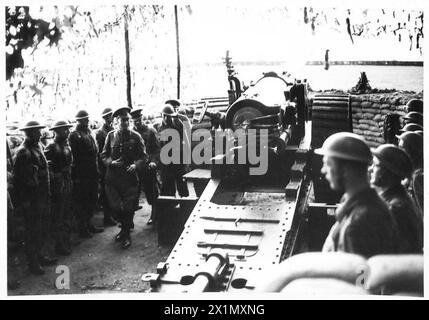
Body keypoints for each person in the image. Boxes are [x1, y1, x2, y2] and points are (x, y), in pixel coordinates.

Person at [315, 132, 396, 258]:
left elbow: (362, 275)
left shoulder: (359, 223)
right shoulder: (359, 205)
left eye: (328, 164)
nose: (323, 170)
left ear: (345, 169)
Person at [12, 120, 57, 275]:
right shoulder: (23, 152)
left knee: (42, 228)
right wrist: (24, 202)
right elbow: (18, 180)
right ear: (30, 133)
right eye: (37, 131)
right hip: (32, 200)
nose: (40, 133)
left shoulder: (37, 147)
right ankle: (33, 262)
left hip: (42, 196)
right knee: (32, 231)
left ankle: (39, 256)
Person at [102, 107, 147, 249]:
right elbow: (103, 155)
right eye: (122, 120)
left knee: (128, 208)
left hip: (129, 178)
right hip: (113, 179)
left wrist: (136, 165)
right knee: (115, 207)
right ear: (116, 121)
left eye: (127, 119)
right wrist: (111, 162)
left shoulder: (136, 136)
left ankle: (126, 234)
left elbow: (144, 157)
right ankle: (124, 229)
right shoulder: (110, 136)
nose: (125, 122)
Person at [370, 144, 423, 253]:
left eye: (375, 165)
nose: (371, 169)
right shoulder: (396, 200)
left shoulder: (396, 208)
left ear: (388, 171)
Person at [69, 110, 104, 238]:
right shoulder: (74, 135)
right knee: (82, 201)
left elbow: (95, 152)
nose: (87, 121)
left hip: (92, 171)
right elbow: (74, 158)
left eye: (87, 119)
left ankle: (89, 224)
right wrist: (77, 176)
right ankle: (82, 227)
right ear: (79, 121)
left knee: (92, 198)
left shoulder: (89, 133)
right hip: (82, 174)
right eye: (84, 119)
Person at [44, 120, 74, 256]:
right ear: (55, 131)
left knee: (67, 213)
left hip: (67, 183)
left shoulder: (66, 145)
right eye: (63, 130)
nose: (66, 132)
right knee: (58, 216)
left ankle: (66, 241)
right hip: (58, 186)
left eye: (67, 129)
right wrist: (57, 179)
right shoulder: (51, 147)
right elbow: (47, 168)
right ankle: (59, 244)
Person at [130, 106, 161, 225]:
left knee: (151, 192)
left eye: (139, 119)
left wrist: (154, 162)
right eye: (135, 120)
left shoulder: (150, 131)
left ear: (142, 118)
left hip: (148, 167)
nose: (137, 122)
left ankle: (155, 215)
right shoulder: (130, 132)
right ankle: (128, 221)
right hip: (134, 168)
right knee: (132, 195)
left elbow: (156, 150)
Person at [158, 104, 189, 197]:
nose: (167, 118)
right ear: (162, 115)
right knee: (167, 186)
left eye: (170, 116)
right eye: (165, 116)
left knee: (182, 183)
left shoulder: (179, 124)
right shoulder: (159, 127)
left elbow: (186, 141)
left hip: (178, 159)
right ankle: (170, 205)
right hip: (166, 161)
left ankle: (185, 205)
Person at [95, 107, 117, 227]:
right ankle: (107, 217)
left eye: (111, 116)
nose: (110, 119)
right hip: (105, 167)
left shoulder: (113, 130)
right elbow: (100, 153)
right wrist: (105, 165)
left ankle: (113, 215)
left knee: (113, 192)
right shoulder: (100, 133)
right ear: (104, 118)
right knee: (106, 193)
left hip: (114, 165)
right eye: (108, 117)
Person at [397, 131, 423, 216]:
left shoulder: (417, 177)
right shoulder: (413, 174)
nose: (399, 152)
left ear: (411, 152)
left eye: (402, 148)